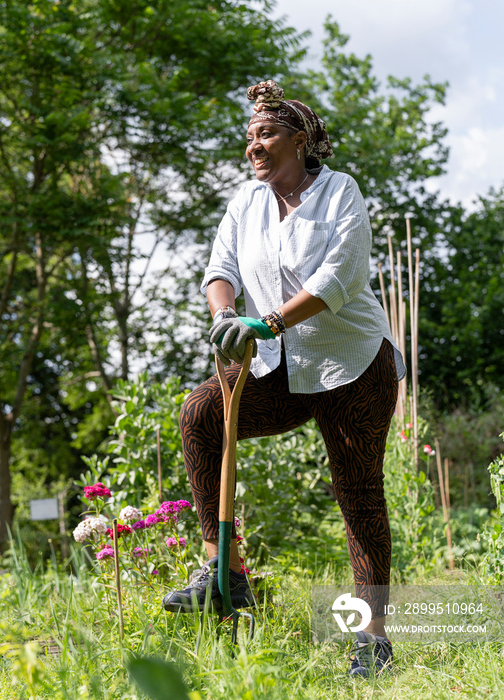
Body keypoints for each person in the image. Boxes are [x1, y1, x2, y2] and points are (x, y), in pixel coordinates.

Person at [162, 80, 406, 676]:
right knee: (199, 416)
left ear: (300, 141)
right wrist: (226, 315)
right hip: (278, 368)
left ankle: (372, 637)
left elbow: (340, 277)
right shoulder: (246, 203)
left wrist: (267, 320)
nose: (254, 147)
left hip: (352, 364)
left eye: (266, 134)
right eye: (249, 138)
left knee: (358, 497)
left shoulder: (339, 192)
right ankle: (227, 571)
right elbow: (219, 267)